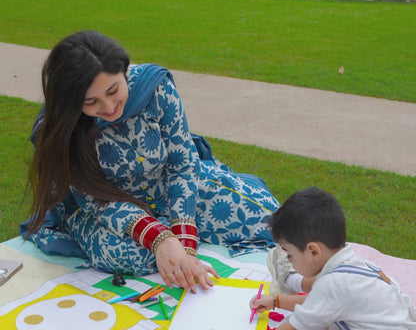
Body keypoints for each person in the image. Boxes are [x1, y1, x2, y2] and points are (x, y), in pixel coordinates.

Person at [21, 30, 279, 293]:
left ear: (124, 70)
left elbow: (181, 163)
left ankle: (181, 229)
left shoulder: (155, 87)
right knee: (130, 255)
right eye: (91, 102)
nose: (109, 107)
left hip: (171, 188)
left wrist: (186, 246)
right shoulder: (63, 128)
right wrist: (161, 239)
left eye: (113, 90)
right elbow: (95, 200)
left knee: (272, 219)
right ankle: (172, 232)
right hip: (109, 209)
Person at [250, 186, 416, 329]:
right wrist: (275, 301)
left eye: (289, 254)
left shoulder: (333, 284)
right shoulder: (354, 265)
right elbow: (317, 304)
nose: (288, 260)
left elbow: (296, 324)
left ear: (314, 251)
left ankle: (289, 280)